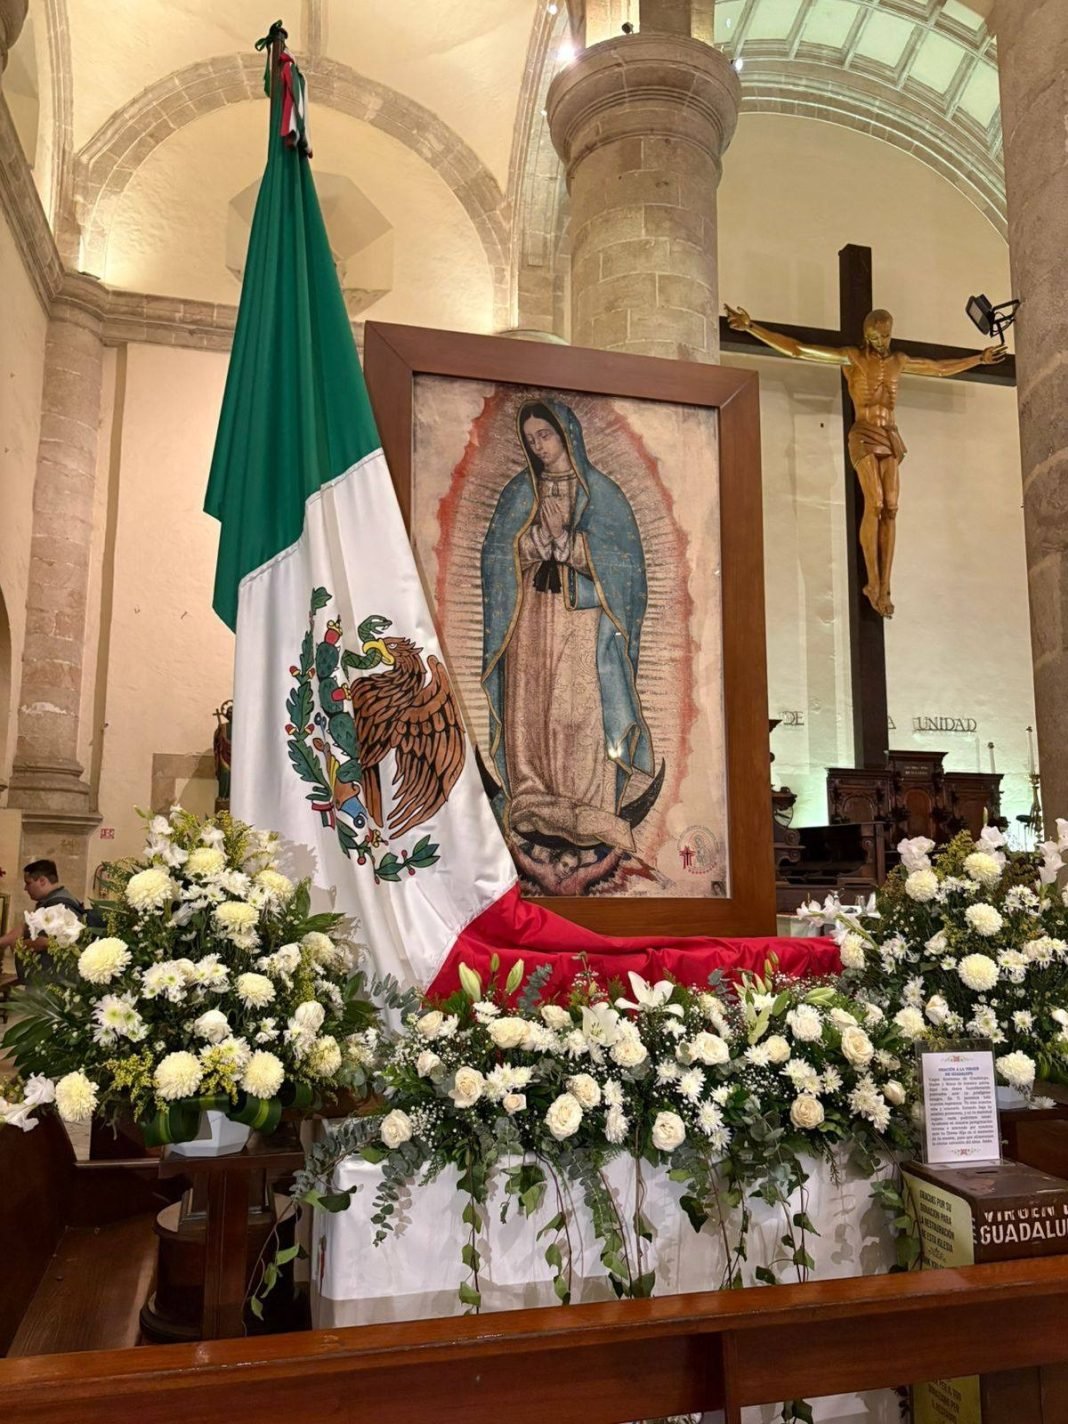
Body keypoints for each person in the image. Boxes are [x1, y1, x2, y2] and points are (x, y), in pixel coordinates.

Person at [723, 303, 1005, 618]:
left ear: (890, 334)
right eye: (873, 337)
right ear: (865, 336)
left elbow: (938, 368)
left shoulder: (899, 361)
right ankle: (873, 582)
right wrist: (751, 327)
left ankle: (885, 585)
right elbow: (799, 350)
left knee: (892, 509)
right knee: (875, 504)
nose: (879, 342)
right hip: (864, 434)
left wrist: (980, 358)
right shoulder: (852, 358)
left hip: (891, 435)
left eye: (884, 336)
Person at [480, 397, 653, 859]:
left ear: (566, 434)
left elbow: (627, 569)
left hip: (581, 621)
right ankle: (532, 795)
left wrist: (568, 544)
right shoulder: (520, 491)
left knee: (576, 709)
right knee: (531, 706)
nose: (539, 446)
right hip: (532, 617)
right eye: (531, 438)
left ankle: (587, 803)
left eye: (546, 435)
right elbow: (496, 558)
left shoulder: (602, 494)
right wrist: (530, 543)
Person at [0, 860, 85, 979]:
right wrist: (3, 941)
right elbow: (25, 927)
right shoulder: (50, 901)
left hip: (52, 981)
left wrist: (19, 945)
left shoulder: (59, 905)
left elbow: (45, 942)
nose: (25, 888)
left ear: (42, 881)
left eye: (28, 883)